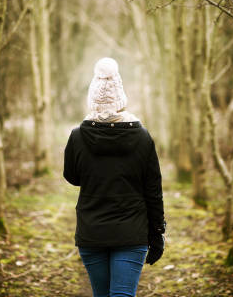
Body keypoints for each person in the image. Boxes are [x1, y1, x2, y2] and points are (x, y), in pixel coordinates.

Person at [63, 57, 166, 297]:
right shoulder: (142, 136)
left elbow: (72, 177)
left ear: (93, 98)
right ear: (120, 97)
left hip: (92, 232)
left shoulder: (77, 136)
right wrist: (157, 231)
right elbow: (153, 190)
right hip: (132, 233)